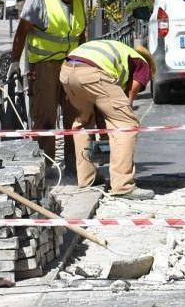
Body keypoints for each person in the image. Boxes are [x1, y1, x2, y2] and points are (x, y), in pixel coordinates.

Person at [10, 0, 88, 162]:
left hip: (72, 65)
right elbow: (21, 32)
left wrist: (86, 61)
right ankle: (45, 164)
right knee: (45, 117)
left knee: (76, 116)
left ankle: (75, 163)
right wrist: (14, 62)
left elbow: (80, 35)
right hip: (45, 66)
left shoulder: (78, 0)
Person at [59, 39, 155, 200]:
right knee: (126, 124)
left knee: (83, 122)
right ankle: (123, 185)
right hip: (93, 72)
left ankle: (87, 179)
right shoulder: (143, 65)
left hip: (67, 70)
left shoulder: (119, 51)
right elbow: (128, 99)